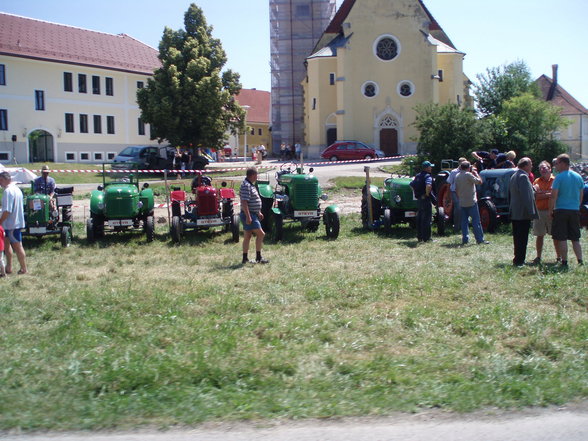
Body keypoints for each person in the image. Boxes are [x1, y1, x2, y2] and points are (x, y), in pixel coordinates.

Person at [549, 153, 584, 267]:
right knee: (575, 238)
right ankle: (580, 261)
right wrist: (576, 206)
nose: (555, 166)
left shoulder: (559, 177)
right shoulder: (578, 177)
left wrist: (551, 210)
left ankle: (564, 262)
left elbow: (553, 196)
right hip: (574, 210)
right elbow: (581, 195)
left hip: (561, 210)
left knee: (562, 237)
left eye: (557, 163)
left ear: (563, 163)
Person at [509, 157, 538, 267]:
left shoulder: (514, 176)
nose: (532, 167)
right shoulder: (523, 177)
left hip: (515, 212)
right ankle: (520, 261)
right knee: (522, 238)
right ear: (525, 166)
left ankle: (517, 259)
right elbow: (527, 197)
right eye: (530, 164)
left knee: (517, 237)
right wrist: (531, 212)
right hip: (523, 213)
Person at [454, 161, 489, 245]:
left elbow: (456, 189)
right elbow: (480, 182)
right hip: (471, 201)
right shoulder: (468, 175)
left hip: (462, 202)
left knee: (464, 222)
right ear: (468, 167)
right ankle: (479, 239)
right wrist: (476, 173)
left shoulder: (457, 176)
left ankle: (465, 239)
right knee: (476, 221)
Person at [0, 171, 27, 275]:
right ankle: (9, 267)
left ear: (6, 179)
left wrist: (0, 221)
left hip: (12, 223)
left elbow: (7, 210)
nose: (0, 183)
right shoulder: (17, 189)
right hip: (14, 222)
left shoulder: (8, 191)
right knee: (6, 245)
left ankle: (24, 268)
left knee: (17, 246)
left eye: (1, 180)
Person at [240, 167, 268, 264]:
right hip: (249, 215)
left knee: (247, 236)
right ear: (252, 175)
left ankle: (245, 258)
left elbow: (253, 200)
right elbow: (244, 202)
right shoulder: (246, 185)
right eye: (256, 175)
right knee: (261, 234)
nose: (257, 177)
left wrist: (258, 212)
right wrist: (248, 216)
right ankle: (258, 257)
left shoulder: (250, 185)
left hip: (253, 214)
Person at [532, 161, 557, 264]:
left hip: (553, 211)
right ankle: (538, 257)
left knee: (556, 235)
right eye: (541, 168)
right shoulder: (537, 181)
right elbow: (535, 196)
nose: (542, 170)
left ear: (550, 169)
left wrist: (542, 193)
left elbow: (556, 195)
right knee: (539, 235)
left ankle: (559, 257)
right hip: (540, 211)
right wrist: (549, 194)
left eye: (544, 168)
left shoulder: (555, 180)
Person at [410, 161, 434, 243]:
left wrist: (417, 194)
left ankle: (419, 237)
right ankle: (427, 238)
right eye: (430, 167)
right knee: (427, 219)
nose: (431, 168)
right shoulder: (428, 176)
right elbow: (428, 185)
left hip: (419, 200)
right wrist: (426, 194)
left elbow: (411, 185)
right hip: (425, 199)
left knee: (420, 218)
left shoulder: (418, 176)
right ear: (427, 168)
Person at [446, 157, 466, 232]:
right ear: (459, 164)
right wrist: (448, 195)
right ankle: (457, 227)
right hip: (454, 191)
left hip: (464, 192)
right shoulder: (454, 172)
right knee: (458, 208)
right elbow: (449, 183)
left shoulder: (467, 171)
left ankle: (464, 225)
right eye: (463, 164)